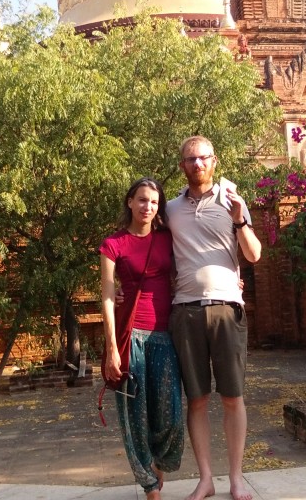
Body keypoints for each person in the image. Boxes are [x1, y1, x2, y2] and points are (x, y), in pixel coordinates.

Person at [167, 136, 262, 500]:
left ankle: (236, 478)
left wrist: (239, 220)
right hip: (186, 310)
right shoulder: (170, 209)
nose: (197, 164)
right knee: (197, 399)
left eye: (203, 158)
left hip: (227, 308)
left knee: (232, 397)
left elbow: (253, 255)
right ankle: (206, 479)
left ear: (214, 161)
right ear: (183, 166)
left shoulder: (232, 201)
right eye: (190, 159)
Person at [100, 177, 183, 500]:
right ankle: (150, 488)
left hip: (165, 335)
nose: (148, 206)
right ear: (130, 202)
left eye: (153, 201)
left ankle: (157, 471)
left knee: (171, 417)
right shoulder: (113, 244)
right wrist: (111, 350)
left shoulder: (166, 239)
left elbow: (189, 268)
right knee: (135, 417)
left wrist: (231, 283)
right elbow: (107, 296)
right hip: (130, 335)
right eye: (142, 200)